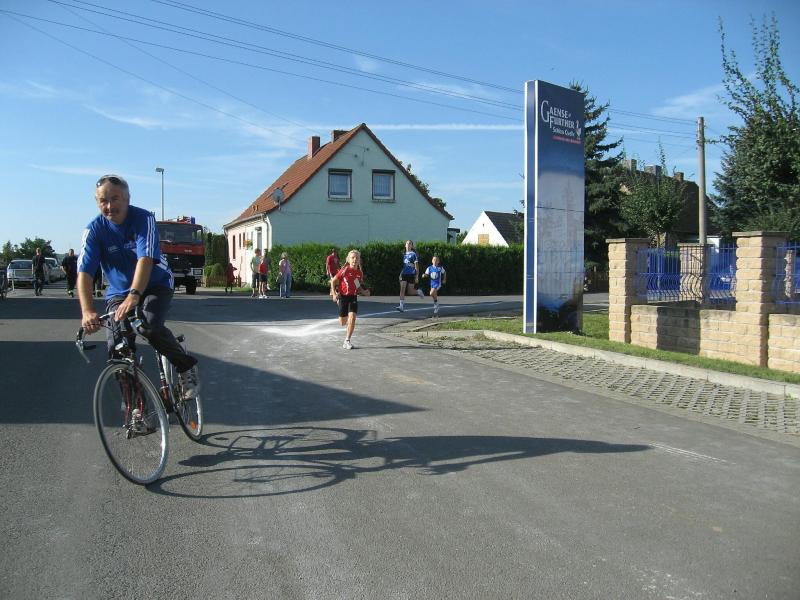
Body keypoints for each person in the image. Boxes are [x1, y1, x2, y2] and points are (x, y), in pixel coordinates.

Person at [77, 174, 198, 399]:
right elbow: (84, 273)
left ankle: (185, 367)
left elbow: (146, 259)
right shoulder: (93, 230)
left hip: (156, 283)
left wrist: (134, 295)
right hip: (118, 291)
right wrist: (87, 311)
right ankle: (135, 405)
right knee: (117, 347)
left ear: (127, 198)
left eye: (115, 198)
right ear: (96, 202)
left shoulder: (143, 219)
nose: (109, 206)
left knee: (148, 325)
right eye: (103, 200)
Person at [330, 249, 370, 349]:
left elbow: (357, 285)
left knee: (352, 317)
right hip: (343, 297)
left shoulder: (359, 273)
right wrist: (334, 294)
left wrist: (364, 292)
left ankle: (347, 340)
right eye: (352, 258)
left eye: (357, 258)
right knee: (342, 323)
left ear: (359, 260)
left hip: (353, 297)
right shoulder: (345, 270)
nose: (355, 259)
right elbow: (333, 281)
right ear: (348, 259)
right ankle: (340, 304)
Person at [395, 239, 424, 312]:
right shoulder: (404, 255)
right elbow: (405, 266)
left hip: (411, 274)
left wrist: (417, 276)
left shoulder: (413, 254)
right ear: (405, 245)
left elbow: (416, 266)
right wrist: (401, 274)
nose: (408, 245)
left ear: (412, 246)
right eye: (407, 243)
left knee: (410, 292)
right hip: (404, 274)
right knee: (402, 289)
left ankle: (418, 291)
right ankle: (401, 306)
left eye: (410, 244)